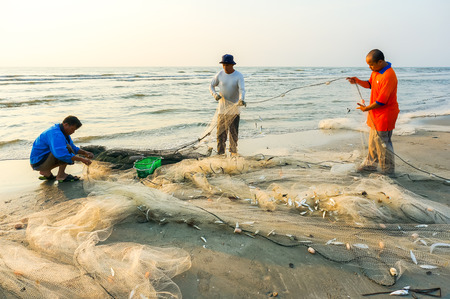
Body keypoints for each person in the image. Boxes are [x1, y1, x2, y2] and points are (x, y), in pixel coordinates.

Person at [347, 49, 399, 175]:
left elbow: (382, 101)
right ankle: (370, 166)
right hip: (375, 114)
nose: (370, 67)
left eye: (371, 65)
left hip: (385, 115)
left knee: (383, 144)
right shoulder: (376, 72)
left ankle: (388, 171)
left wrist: (366, 108)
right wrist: (358, 81)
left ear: (380, 62)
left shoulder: (388, 76)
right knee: (373, 142)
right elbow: (370, 84)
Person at [30, 115, 94, 182]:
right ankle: (61, 175)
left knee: (67, 148)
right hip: (39, 163)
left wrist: (85, 153)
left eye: (75, 130)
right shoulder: (56, 134)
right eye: (72, 129)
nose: (73, 132)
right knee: (66, 149)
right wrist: (81, 159)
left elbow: (73, 147)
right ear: (66, 125)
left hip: (38, 161)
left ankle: (46, 172)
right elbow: (62, 154)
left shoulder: (61, 131)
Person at [209, 54, 246, 156]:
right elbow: (211, 86)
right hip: (222, 110)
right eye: (224, 64)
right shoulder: (219, 75)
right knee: (220, 135)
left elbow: (242, 90)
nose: (225, 67)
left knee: (233, 134)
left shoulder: (238, 75)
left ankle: (233, 154)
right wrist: (215, 95)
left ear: (232, 65)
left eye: (227, 64)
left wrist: (241, 100)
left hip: (234, 110)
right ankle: (220, 154)